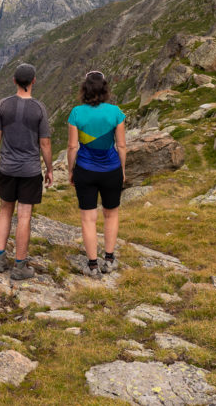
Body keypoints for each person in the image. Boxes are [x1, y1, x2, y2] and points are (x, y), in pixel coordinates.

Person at [0, 62, 53, 280]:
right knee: (24, 215)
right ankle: (19, 266)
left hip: (6, 168)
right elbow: (44, 143)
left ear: (14, 81)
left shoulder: (3, 105)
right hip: (30, 170)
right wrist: (50, 169)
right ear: (33, 81)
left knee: (5, 210)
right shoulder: (39, 109)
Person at [67, 70, 127, 278]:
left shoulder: (76, 113)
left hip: (85, 169)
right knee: (111, 214)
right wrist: (123, 170)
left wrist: (70, 170)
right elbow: (121, 145)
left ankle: (92, 265)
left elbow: (72, 146)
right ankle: (109, 259)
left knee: (88, 218)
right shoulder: (116, 112)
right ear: (105, 89)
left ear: (84, 89)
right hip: (111, 169)